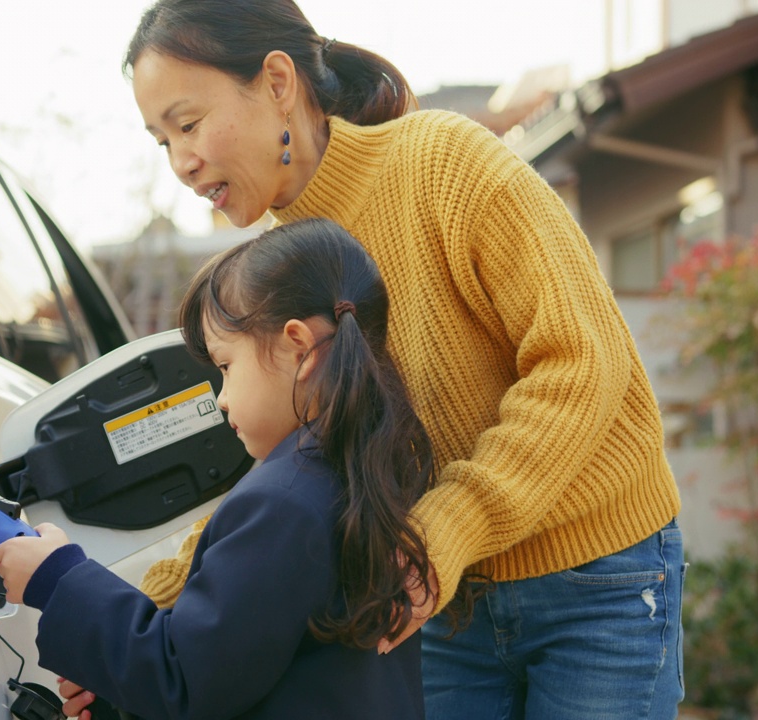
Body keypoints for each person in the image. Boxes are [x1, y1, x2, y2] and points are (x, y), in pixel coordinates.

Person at [88, 1, 689, 719]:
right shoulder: (274, 275)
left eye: (187, 124)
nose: (182, 163)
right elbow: (289, 480)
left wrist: (456, 521)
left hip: (598, 575)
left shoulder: (445, 163)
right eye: (161, 141)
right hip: (440, 598)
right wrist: (148, 613)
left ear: (277, 81)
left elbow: (582, 363)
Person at [0, 218, 438, 720]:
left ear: (298, 347)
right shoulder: (358, 473)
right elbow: (251, 673)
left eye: (225, 366)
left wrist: (57, 578)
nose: (221, 399)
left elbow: (185, 680)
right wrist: (119, 691)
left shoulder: (281, 502)